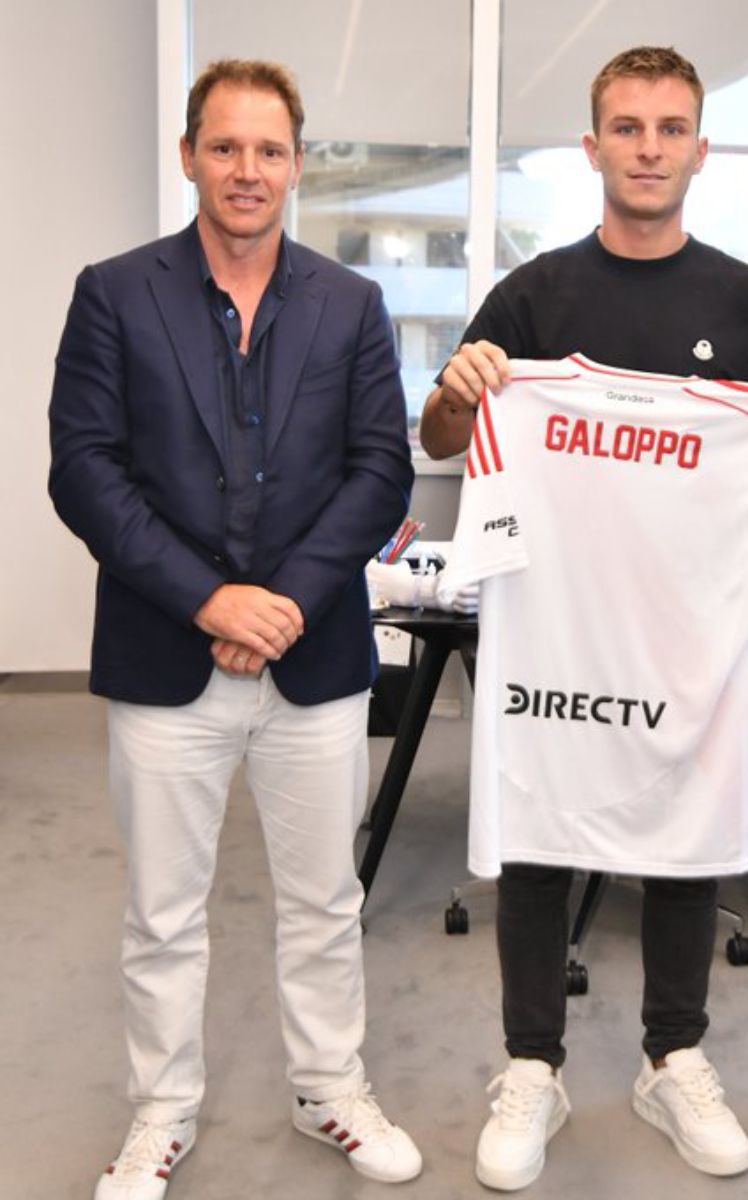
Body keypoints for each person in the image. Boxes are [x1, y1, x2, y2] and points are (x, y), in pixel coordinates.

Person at [421, 44, 748, 1193]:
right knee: (537, 827)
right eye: (628, 126)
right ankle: (532, 1065)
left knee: (685, 834)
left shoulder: (746, 304)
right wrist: (457, 393)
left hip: (691, 634)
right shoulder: (534, 295)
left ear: (700, 149)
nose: (649, 148)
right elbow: (443, 438)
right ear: (593, 146)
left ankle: (672, 1056)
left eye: (670, 128)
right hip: (554, 622)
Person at [49, 59, 422, 1198]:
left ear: (298, 164)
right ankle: (160, 1114)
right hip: (167, 656)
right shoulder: (115, 292)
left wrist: (287, 601)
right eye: (225, 147)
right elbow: (85, 470)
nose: (246, 170)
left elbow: (380, 470)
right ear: (189, 156)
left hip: (316, 660)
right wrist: (209, 600)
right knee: (164, 914)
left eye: (268, 150)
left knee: (325, 903)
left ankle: (329, 1090)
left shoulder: (350, 303)